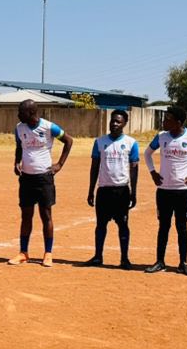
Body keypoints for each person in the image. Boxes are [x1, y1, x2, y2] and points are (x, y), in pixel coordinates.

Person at [144, 106, 187, 275]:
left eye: (168, 119)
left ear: (178, 122)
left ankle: (183, 263)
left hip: (183, 191)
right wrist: (153, 172)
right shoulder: (161, 136)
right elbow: (147, 153)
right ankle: (160, 261)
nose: (164, 122)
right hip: (164, 190)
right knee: (163, 226)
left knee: (182, 227)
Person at [10, 99, 73, 266]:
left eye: (21, 112)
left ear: (31, 113)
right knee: (26, 216)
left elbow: (68, 141)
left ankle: (48, 253)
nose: (18, 115)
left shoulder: (49, 127)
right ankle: (23, 252)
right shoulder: (19, 128)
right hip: (26, 178)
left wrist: (59, 164)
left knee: (46, 215)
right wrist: (17, 162)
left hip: (44, 178)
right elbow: (19, 147)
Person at [84, 109, 139, 268]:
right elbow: (94, 167)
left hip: (121, 191)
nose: (114, 124)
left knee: (123, 225)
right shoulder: (99, 142)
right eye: (112, 121)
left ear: (124, 124)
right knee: (101, 225)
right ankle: (98, 257)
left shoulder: (131, 143)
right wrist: (91, 190)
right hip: (104, 191)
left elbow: (134, 169)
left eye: (118, 121)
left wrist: (133, 192)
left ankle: (124, 259)